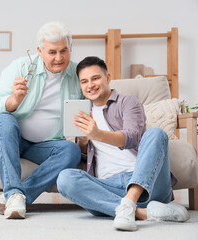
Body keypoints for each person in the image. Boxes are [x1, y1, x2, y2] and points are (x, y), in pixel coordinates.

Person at [57, 56, 190, 231]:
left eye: (95, 78)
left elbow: (132, 137)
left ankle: (129, 203)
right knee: (65, 178)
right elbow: (86, 156)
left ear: (108, 78)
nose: (90, 85)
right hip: (109, 188)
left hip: (147, 184)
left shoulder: (128, 102)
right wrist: (83, 142)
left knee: (156, 133)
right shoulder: (84, 112)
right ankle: (142, 213)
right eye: (84, 81)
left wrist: (97, 134)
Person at [0, 22, 84, 219]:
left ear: (70, 49)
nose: (59, 58)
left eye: (64, 51)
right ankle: (14, 192)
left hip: (44, 146)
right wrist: (14, 100)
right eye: (52, 52)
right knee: (3, 120)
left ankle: (16, 196)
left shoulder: (77, 74)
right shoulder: (21, 67)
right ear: (39, 51)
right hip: (9, 138)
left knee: (71, 150)